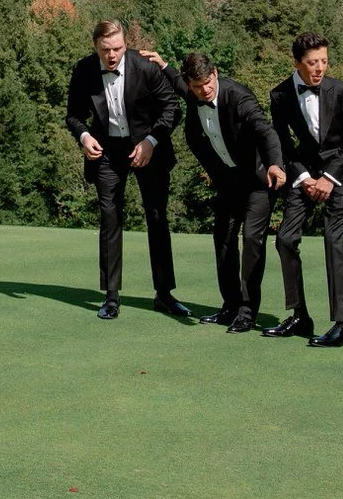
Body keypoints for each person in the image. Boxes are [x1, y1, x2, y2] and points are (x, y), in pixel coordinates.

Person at [64, 19, 188, 321]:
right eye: (105, 49)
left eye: (117, 48)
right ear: (96, 46)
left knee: (156, 217)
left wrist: (151, 141)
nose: (112, 55)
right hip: (106, 151)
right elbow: (73, 115)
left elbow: (173, 109)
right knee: (110, 219)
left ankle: (164, 295)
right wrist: (84, 136)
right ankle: (111, 297)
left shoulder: (146, 68)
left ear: (125, 44)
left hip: (148, 146)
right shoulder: (83, 70)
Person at [168, 52, 285, 333]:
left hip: (259, 178)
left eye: (208, 83)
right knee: (223, 238)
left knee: (252, 239)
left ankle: (247, 312)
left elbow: (265, 130)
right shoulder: (193, 93)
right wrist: (161, 64)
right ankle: (230, 306)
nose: (205, 90)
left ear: (215, 74)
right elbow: (176, 81)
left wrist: (275, 164)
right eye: (197, 87)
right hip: (228, 181)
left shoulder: (239, 97)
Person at [265, 32, 343, 348]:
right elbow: (283, 143)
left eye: (324, 61)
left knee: (333, 239)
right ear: (297, 63)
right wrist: (304, 177)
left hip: (342, 172)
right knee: (285, 239)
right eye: (312, 62)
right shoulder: (279, 95)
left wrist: (329, 179)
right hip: (305, 172)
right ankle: (299, 317)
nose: (320, 68)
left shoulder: (340, 90)